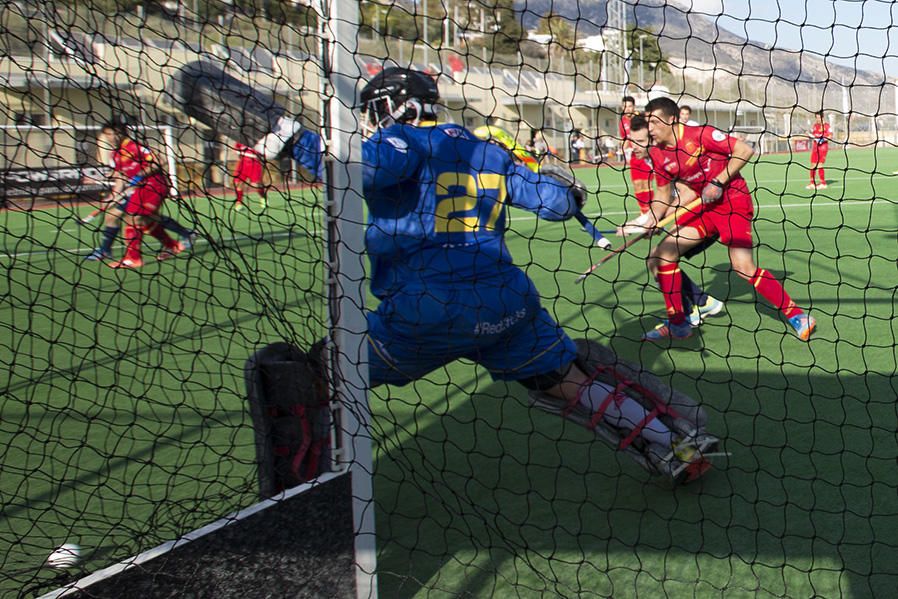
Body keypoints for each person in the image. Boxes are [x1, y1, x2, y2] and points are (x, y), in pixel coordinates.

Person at [175, 66, 718, 484]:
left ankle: (309, 481)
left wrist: (290, 136)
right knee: (569, 382)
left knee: (324, 367)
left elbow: (357, 169)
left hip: (423, 310)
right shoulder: (484, 146)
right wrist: (564, 185)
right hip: (506, 302)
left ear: (391, 108)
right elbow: (555, 203)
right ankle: (672, 445)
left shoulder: (399, 142)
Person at [640, 96, 816, 341]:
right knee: (661, 256)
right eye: (647, 123)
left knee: (743, 268)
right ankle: (679, 323)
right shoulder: (658, 155)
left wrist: (717, 181)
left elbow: (744, 150)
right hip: (702, 207)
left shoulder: (700, 134)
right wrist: (653, 220)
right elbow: (666, 195)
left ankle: (797, 315)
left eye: (654, 122)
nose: (650, 129)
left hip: (732, 201)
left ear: (671, 120)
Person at [617, 113, 725, 333]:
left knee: (660, 258)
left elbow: (686, 194)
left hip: (705, 213)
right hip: (690, 212)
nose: (634, 146)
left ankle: (686, 315)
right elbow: (664, 197)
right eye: (631, 140)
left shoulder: (667, 153)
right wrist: (646, 222)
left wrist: (653, 222)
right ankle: (702, 303)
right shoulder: (653, 158)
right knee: (655, 259)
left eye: (639, 141)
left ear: (654, 137)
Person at [84, 121, 195, 268]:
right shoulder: (115, 154)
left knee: (134, 217)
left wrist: (140, 175)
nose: (110, 138)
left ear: (122, 133)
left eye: (113, 133)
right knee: (127, 218)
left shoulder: (135, 146)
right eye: (107, 135)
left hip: (153, 185)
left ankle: (134, 258)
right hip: (138, 189)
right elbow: (120, 178)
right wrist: (112, 197)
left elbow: (158, 161)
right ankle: (174, 243)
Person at [618, 96, 654, 214]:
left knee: (646, 183)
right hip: (633, 156)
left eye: (629, 106)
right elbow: (624, 139)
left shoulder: (641, 118)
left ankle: (650, 211)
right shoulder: (622, 121)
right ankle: (643, 212)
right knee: (637, 184)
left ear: (633, 106)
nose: (627, 108)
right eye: (624, 106)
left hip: (644, 155)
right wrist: (625, 153)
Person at [232, 141, 268, 210]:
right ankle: (239, 203)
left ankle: (263, 197)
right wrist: (238, 152)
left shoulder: (258, 139)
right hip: (243, 163)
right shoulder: (240, 138)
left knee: (256, 185)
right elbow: (236, 147)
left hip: (255, 164)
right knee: (238, 183)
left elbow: (264, 152)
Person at [807, 110, 831, 189]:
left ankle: (823, 183)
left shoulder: (827, 126)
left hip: (823, 148)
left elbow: (830, 136)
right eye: (816, 118)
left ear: (822, 117)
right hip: (815, 148)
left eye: (819, 117)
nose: (817, 119)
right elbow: (813, 135)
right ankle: (812, 183)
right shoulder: (815, 126)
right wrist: (809, 135)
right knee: (813, 165)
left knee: (820, 164)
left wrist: (822, 140)